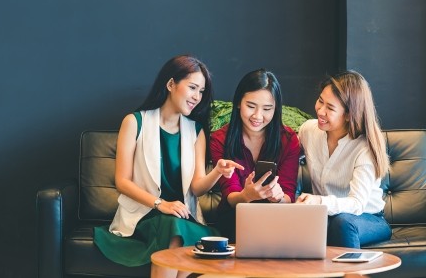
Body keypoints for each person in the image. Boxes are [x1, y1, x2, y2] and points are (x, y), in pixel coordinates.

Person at [93, 55, 243, 278]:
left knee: (176, 229)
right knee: (174, 230)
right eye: (192, 87)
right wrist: (160, 204)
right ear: (171, 84)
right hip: (145, 215)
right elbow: (122, 182)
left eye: (201, 92)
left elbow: (198, 188)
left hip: (182, 217)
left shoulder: (196, 131)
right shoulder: (135, 122)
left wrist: (217, 172)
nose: (197, 97)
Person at [296, 70, 391, 248]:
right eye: (320, 101)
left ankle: (353, 275)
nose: (320, 111)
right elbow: (285, 155)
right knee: (315, 223)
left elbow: (356, 204)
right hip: (326, 217)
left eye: (330, 108)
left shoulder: (364, 148)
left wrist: (318, 201)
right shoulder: (309, 131)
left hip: (367, 218)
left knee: (342, 223)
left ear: (349, 114)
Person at [209, 69, 300, 242]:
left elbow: (288, 194)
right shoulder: (220, 139)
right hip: (234, 217)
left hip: (276, 219)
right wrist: (246, 196)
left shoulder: (288, 140)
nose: (258, 116)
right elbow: (230, 195)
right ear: (238, 103)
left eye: (267, 109)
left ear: (276, 109)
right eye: (251, 106)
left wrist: (278, 198)